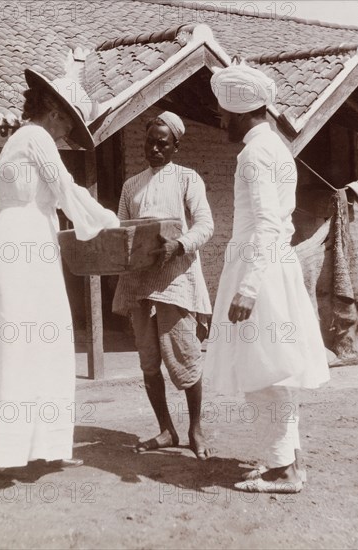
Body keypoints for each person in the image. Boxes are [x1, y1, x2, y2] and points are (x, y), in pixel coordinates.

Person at [0, 69, 119, 472]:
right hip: (24, 247)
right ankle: (12, 447)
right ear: (51, 112)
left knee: (16, 341)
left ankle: (10, 446)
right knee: (30, 339)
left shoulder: (16, 140)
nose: (66, 130)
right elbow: (66, 189)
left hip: (11, 244)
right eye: (66, 120)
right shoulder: (36, 138)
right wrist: (108, 222)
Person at [206, 64, 330, 492]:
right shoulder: (276, 147)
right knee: (275, 368)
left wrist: (249, 286)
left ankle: (283, 471)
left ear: (241, 114)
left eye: (225, 114)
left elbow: (267, 224)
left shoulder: (255, 152)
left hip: (260, 266)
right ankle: (289, 461)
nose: (222, 120)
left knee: (263, 370)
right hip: (272, 264)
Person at [112, 112, 215, 459]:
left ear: (175, 146)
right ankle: (166, 430)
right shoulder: (131, 185)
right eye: (149, 142)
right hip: (140, 284)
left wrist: (179, 245)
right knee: (148, 362)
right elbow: (121, 231)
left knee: (185, 359)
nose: (154, 148)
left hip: (176, 281)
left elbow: (205, 225)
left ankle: (195, 429)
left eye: (163, 143)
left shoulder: (188, 179)